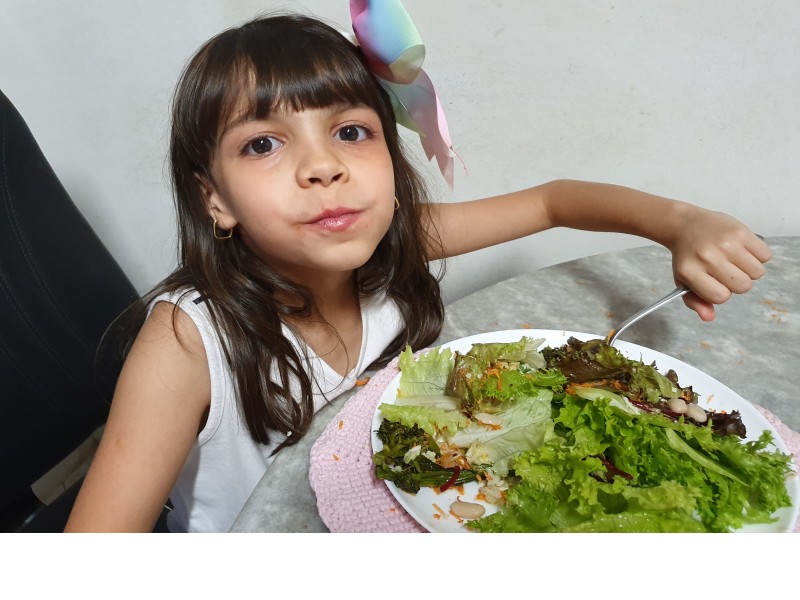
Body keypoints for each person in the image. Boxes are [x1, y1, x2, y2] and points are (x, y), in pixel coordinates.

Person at [64, 5, 771, 533]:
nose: (323, 166)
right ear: (213, 199)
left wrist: (680, 221)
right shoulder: (187, 343)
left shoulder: (395, 246)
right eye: (263, 144)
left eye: (350, 132)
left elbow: (553, 201)